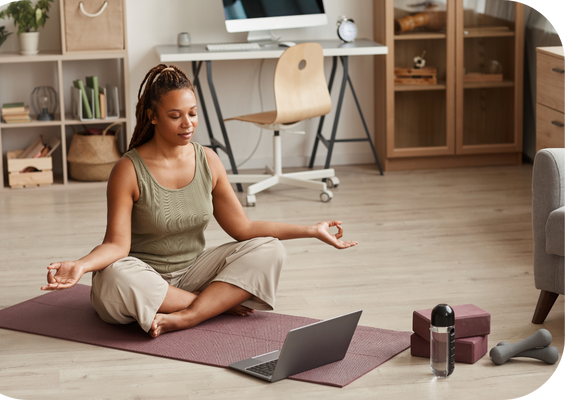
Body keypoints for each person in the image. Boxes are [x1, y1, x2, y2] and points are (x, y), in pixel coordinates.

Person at [41, 64, 357, 338]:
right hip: (142, 274)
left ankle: (189, 315)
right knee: (114, 277)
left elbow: (244, 228)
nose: (187, 124)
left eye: (192, 114)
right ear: (152, 116)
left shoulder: (208, 160)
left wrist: (312, 230)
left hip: (193, 269)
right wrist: (80, 265)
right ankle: (213, 303)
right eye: (175, 116)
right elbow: (117, 247)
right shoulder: (128, 169)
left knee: (270, 248)